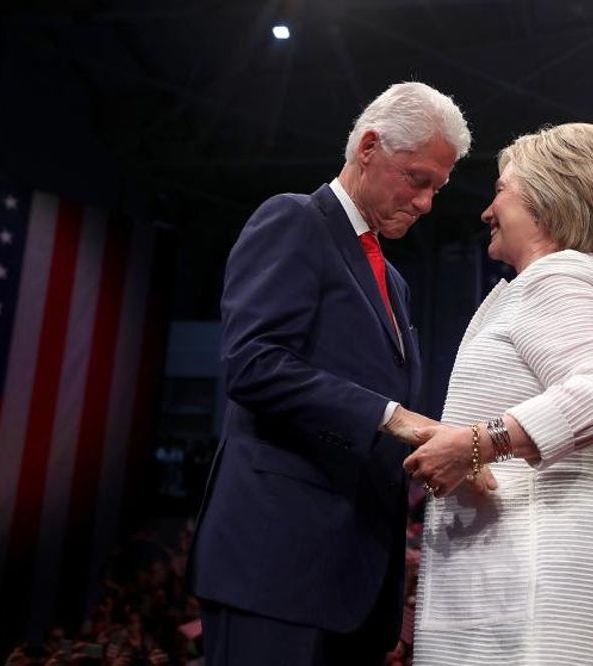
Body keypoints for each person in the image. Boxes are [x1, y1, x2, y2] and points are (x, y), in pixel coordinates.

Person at [188, 81, 472, 666]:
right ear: (368, 147)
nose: (425, 204)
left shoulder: (394, 283)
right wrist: (392, 418)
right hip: (274, 568)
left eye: (437, 189)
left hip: (355, 586)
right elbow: (254, 363)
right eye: (417, 179)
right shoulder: (293, 220)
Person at [404, 123, 593, 664]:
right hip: (534, 578)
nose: (485, 211)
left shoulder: (559, 278)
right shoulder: (564, 281)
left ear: (547, 201)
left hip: (541, 591)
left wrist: (474, 444)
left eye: (501, 189)